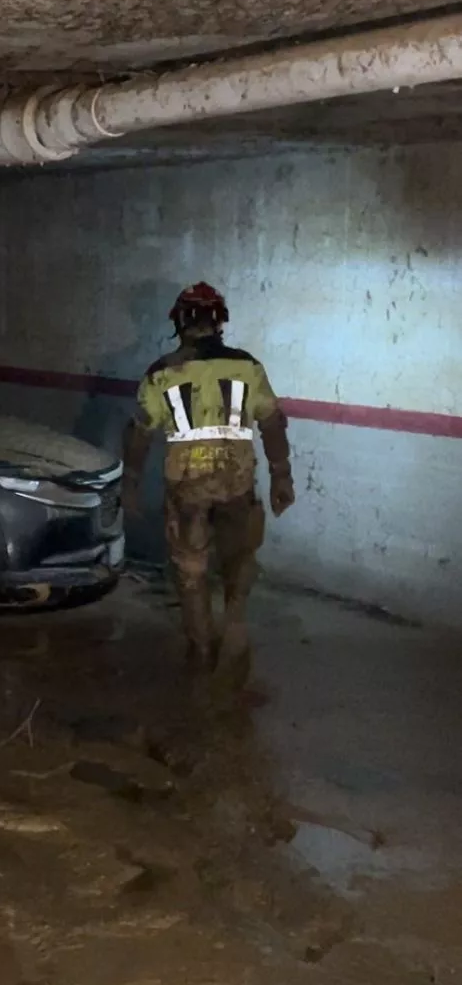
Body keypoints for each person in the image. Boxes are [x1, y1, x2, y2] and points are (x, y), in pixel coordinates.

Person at [120, 282, 294, 685]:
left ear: (179, 322)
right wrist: (281, 476)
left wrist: (129, 484)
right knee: (239, 558)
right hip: (237, 484)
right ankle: (234, 621)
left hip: (188, 489)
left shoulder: (161, 372)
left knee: (191, 570)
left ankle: (201, 650)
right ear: (220, 322)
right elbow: (272, 422)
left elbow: (140, 433)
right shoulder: (247, 367)